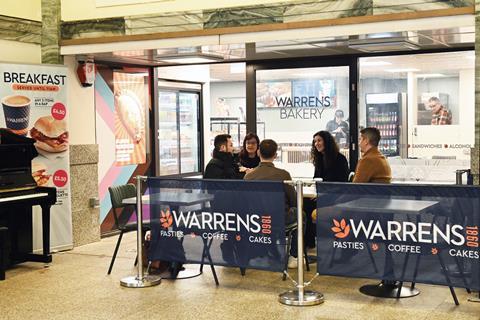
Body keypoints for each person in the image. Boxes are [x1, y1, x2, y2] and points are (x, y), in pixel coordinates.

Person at [244, 139, 299, 268]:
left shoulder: (248, 177)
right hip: (280, 219)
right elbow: (294, 201)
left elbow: (246, 201)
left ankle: (272, 249)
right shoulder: (283, 174)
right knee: (301, 215)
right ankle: (294, 255)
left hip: (256, 221)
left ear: (258, 153)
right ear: (275, 155)